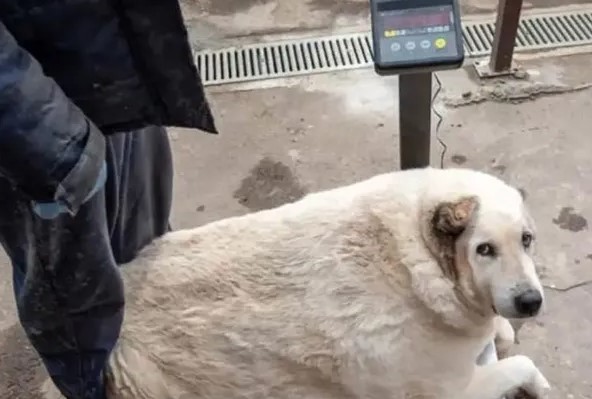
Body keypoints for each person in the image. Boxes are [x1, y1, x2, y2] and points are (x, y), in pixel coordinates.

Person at [0, 1, 216, 398]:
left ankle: (159, 374)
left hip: (107, 60)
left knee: (148, 260)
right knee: (84, 318)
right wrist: (45, 140)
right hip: (34, 120)